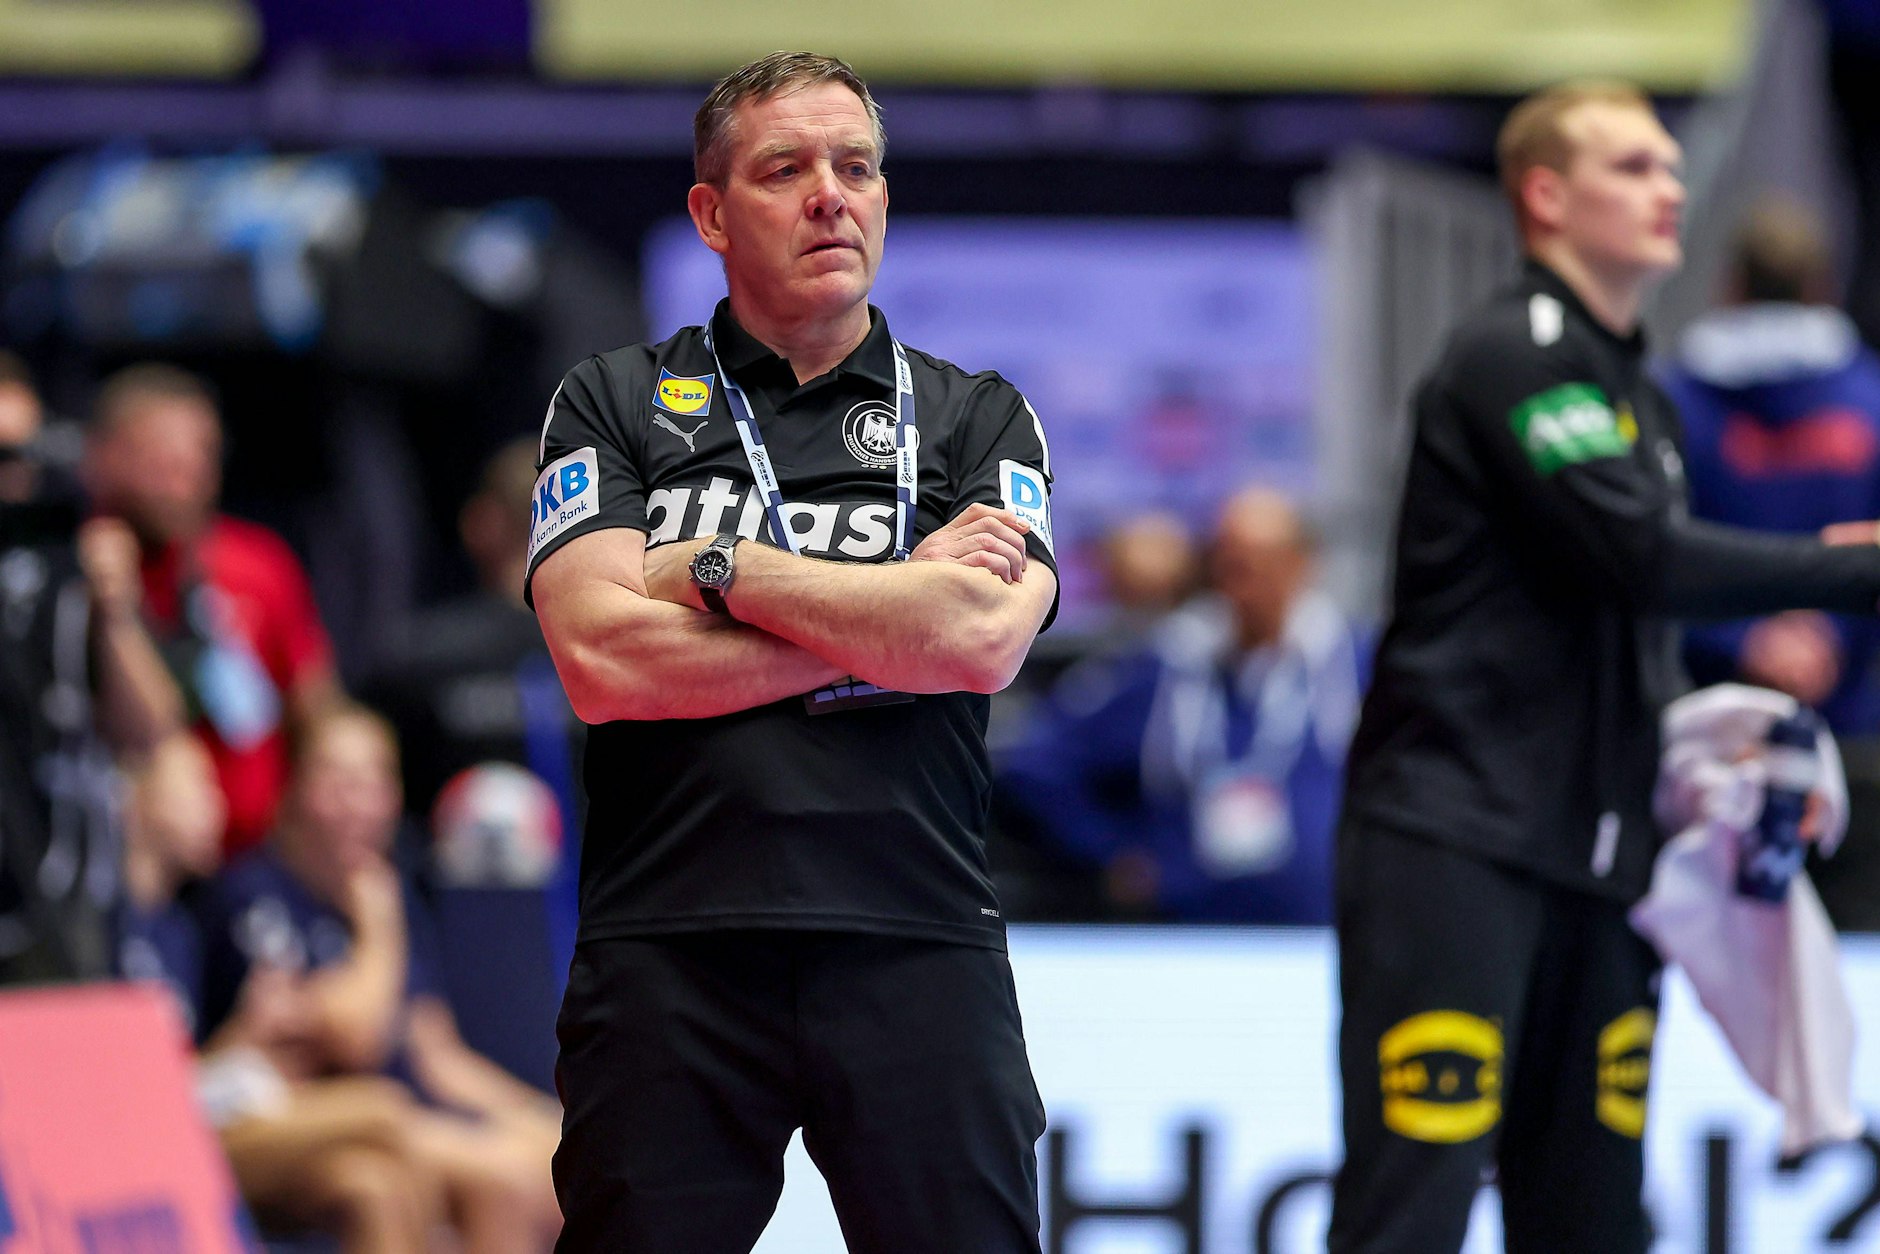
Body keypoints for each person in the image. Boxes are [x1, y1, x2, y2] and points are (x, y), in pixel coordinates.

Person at [1329, 81, 1880, 1253]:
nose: (1669, 187)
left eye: (1671, 168)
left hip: (1604, 860)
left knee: (1590, 1219)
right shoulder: (1509, 354)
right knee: (1410, 1207)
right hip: (1456, 841)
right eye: (1633, 166)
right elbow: (1638, 554)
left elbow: (1625, 611)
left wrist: (1714, 735)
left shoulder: (1649, 400)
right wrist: (1843, 568)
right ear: (1544, 192)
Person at [527, 51, 1059, 1254]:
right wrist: (893, 614)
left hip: (916, 939)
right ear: (711, 215)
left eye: (856, 165)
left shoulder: (977, 414)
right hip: (673, 951)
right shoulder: (614, 400)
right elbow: (603, 663)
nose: (832, 194)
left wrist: (718, 571)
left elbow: (977, 643)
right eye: (786, 169)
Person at [195, 704, 563, 1253]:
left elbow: (437, 1053)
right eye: (338, 782)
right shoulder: (256, 896)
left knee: (562, 1157)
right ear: (292, 787)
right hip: (310, 1119)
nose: (359, 805)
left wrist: (542, 1114)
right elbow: (355, 1039)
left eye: (375, 782)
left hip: (410, 1111)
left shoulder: (387, 894)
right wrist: (380, 929)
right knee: (503, 1181)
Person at [1000, 489, 1363, 922]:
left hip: (1322, 935)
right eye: (1231, 566)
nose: (1243, 586)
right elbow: (1035, 763)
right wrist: (1113, 853)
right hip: (1183, 945)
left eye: (1263, 565)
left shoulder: (1352, 668)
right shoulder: (1167, 667)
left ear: (1302, 564)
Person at [84, 363, 342, 855]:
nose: (184, 474)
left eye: (200, 453)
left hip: (260, 853)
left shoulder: (257, 566)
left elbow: (316, 709)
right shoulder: (76, 572)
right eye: (158, 456)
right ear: (101, 458)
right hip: (129, 849)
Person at [1661, 197, 1880, 736]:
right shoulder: (1871, 396)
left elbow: (1646, 551)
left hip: (1705, 719)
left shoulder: (1668, 398)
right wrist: (1828, 637)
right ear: (1820, 289)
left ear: (1730, 288)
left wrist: (1744, 640)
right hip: (1846, 715)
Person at [0, 351, 181, 984]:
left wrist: (116, 615)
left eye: (24, 455)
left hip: (54, 885)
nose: (12, 477)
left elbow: (151, 727)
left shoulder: (68, 566)